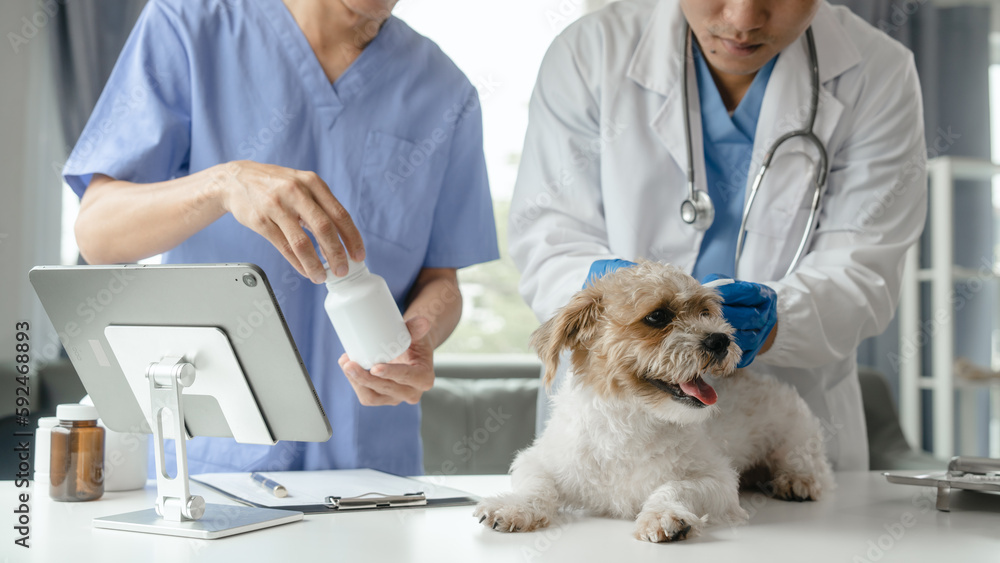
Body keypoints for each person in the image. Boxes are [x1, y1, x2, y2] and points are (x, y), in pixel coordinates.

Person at [64, 0, 499, 476]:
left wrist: (421, 338)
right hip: (211, 468)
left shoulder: (446, 92)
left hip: (371, 476)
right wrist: (222, 184)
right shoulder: (188, 25)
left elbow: (443, 279)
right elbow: (96, 231)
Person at [509, 0, 927, 471]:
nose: (743, 19)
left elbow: (864, 271)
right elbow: (548, 236)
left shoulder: (879, 72)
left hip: (785, 427)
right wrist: (601, 293)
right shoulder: (590, 52)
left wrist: (779, 321)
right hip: (615, 431)